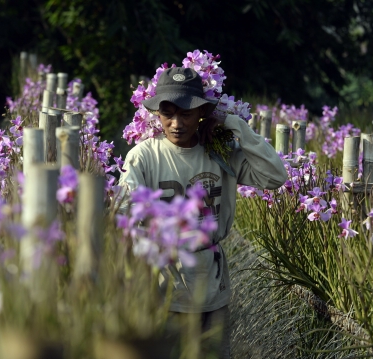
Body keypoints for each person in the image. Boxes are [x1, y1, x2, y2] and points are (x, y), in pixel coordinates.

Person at [118, 67, 287, 358]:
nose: (176, 123)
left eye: (186, 114)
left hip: (214, 287)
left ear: (202, 113)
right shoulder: (144, 156)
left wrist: (233, 123)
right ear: (157, 114)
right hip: (165, 289)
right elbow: (125, 208)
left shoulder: (221, 153)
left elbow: (275, 176)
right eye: (167, 113)